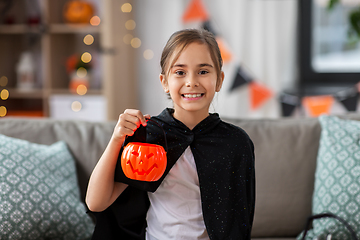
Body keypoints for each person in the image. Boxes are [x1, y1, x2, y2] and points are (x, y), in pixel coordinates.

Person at [86, 29, 255, 240]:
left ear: (219, 80)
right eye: (180, 72)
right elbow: (96, 202)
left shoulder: (236, 143)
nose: (191, 82)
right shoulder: (148, 136)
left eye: (203, 71)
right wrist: (117, 139)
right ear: (164, 81)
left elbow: (240, 219)